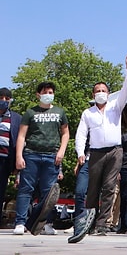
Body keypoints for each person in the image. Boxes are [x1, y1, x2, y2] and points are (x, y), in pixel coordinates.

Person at [75, 55, 127, 235]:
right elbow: (81, 133)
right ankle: (90, 223)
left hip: (115, 151)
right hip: (96, 153)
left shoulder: (115, 106)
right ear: (94, 95)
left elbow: (126, 89)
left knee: (109, 188)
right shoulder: (88, 112)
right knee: (93, 188)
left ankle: (102, 225)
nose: (101, 92)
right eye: (97, 90)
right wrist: (79, 152)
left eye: (104, 90)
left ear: (108, 93)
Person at [14, 81, 69, 235]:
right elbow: (21, 135)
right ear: (39, 94)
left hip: (52, 156)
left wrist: (61, 152)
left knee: (49, 192)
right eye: (45, 92)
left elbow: (65, 133)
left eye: (51, 92)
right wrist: (19, 156)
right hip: (31, 154)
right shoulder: (30, 112)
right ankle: (20, 222)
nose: (48, 95)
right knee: (26, 189)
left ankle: (47, 223)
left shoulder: (60, 112)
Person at [0, 87, 21, 221]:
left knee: (1, 190)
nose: (4, 101)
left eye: (7, 99)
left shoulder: (17, 118)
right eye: (1, 98)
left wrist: (17, 166)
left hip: (5, 159)